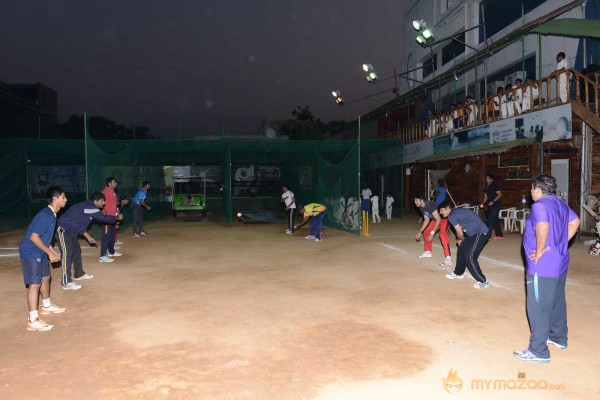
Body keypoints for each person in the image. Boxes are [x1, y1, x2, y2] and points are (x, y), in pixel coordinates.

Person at [513, 175, 580, 363]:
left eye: (532, 189)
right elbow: (575, 222)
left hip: (542, 266)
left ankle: (538, 350)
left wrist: (541, 251)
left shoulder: (539, 205)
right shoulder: (559, 203)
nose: (531, 192)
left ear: (538, 189)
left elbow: (543, 226)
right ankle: (559, 337)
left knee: (538, 306)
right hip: (560, 261)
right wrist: (560, 243)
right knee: (557, 299)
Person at [19, 186, 68, 331]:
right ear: (55, 198)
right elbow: (33, 237)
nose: (66, 199)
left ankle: (46, 306)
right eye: (63, 197)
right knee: (35, 284)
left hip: (39, 251)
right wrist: (49, 253)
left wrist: (52, 251)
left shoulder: (52, 214)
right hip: (31, 252)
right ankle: (32, 319)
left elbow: (44, 238)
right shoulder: (46, 215)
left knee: (46, 277)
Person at [56, 192, 123, 290]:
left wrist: (88, 237)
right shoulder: (90, 208)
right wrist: (117, 217)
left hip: (71, 230)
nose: (103, 203)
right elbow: (104, 218)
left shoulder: (87, 207)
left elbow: (79, 223)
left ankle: (79, 274)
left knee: (77, 251)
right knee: (67, 253)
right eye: (101, 201)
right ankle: (66, 281)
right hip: (62, 229)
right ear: (95, 201)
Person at [439, 202, 490, 289]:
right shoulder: (455, 212)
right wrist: (460, 239)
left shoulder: (451, 216)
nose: (440, 213)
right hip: (472, 234)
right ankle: (458, 273)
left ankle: (483, 281)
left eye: (442, 210)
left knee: (469, 256)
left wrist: (460, 238)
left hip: (480, 233)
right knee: (461, 250)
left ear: (448, 208)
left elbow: (459, 232)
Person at [414, 195, 450, 263]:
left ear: (422, 201)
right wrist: (420, 232)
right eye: (414, 200)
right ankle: (428, 252)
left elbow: (439, 219)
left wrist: (432, 233)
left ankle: (448, 258)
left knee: (442, 235)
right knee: (426, 232)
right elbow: (426, 219)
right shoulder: (421, 208)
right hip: (435, 220)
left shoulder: (429, 205)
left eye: (416, 200)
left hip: (444, 219)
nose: (415, 202)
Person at [100, 177, 121, 261]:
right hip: (107, 218)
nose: (116, 183)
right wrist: (105, 217)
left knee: (112, 236)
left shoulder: (113, 192)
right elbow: (101, 206)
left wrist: (116, 215)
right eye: (114, 182)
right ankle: (102, 256)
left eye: (115, 182)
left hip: (112, 218)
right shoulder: (104, 192)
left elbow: (113, 205)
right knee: (106, 237)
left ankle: (111, 252)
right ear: (109, 183)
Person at [433, 180, 452, 266]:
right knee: (441, 219)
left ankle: (444, 229)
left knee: (440, 219)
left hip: (439, 205)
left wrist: (434, 194)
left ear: (438, 184)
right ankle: (446, 229)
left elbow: (436, 195)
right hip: (443, 205)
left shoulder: (438, 189)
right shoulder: (444, 189)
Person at [480, 174, 504, 240]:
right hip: (490, 206)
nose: (486, 179)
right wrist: (483, 203)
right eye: (486, 178)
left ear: (491, 179)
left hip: (496, 205)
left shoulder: (494, 186)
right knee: (495, 221)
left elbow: (500, 194)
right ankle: (500, 235)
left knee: (490, 219)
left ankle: (488, 236)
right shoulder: (486, 187)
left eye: (488, 178)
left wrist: (493, 201)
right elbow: (486, 197)